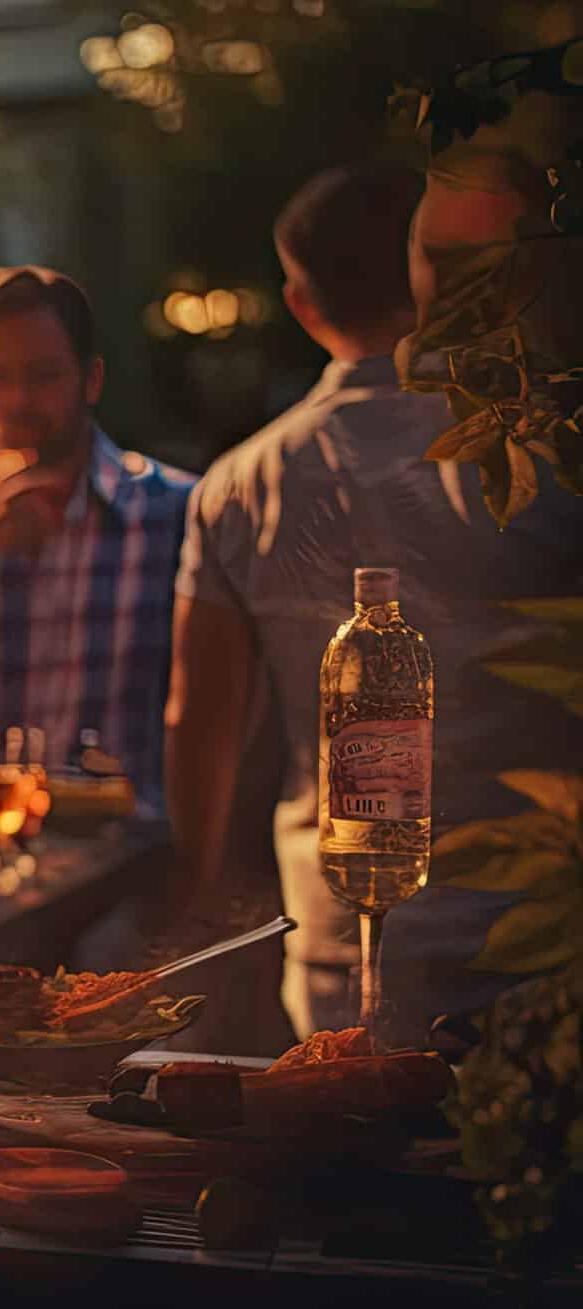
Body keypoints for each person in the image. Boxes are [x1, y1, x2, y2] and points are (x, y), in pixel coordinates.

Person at [169, 163, 583, 1044]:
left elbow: (199, 727)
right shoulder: (544, 455)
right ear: (438, 274)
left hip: (341, 947)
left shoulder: (235, 487)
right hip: (542, 936)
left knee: (352, 1166)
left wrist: (202, 893)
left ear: (299, 300)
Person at [0, 267, 196, 816]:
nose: (17, 400)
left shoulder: (176, 515)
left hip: (131, 863)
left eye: (43, 376)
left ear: (91, 380)